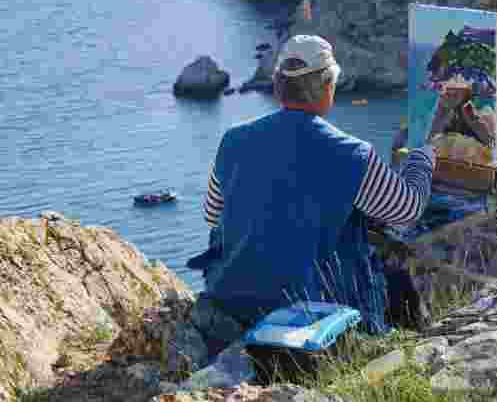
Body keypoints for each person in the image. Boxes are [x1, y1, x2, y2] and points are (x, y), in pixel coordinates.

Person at [188, 35, 462, 356]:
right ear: (328, 85)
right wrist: (422, 156)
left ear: (277, 86)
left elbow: (212, 216)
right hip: (310, 311)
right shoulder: (351, 153)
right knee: (398, 280)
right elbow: (408, 209)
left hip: (233, 300)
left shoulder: (232, 140)